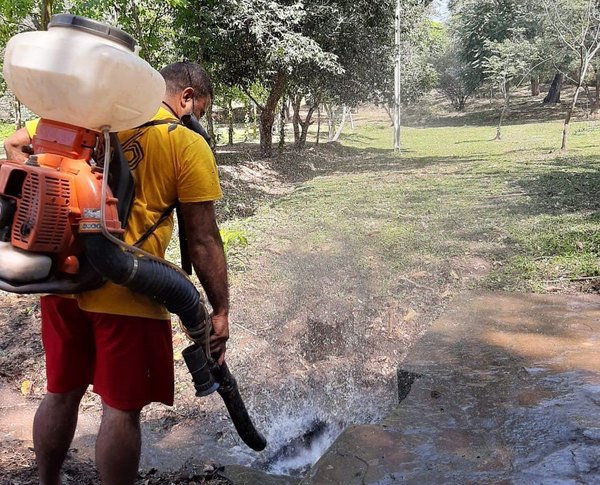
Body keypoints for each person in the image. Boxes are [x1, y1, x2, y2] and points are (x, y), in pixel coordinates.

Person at [3, 61, 229, 485]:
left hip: (64, 279)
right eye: (199, 109)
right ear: (186, 97)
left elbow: (15, 146)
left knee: (60, 393)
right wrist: (220, 309)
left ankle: (47, 481)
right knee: (121, 410)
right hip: (131, 294)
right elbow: (202, 240)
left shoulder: (85, 117)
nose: (195, 118)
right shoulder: (184, 142)